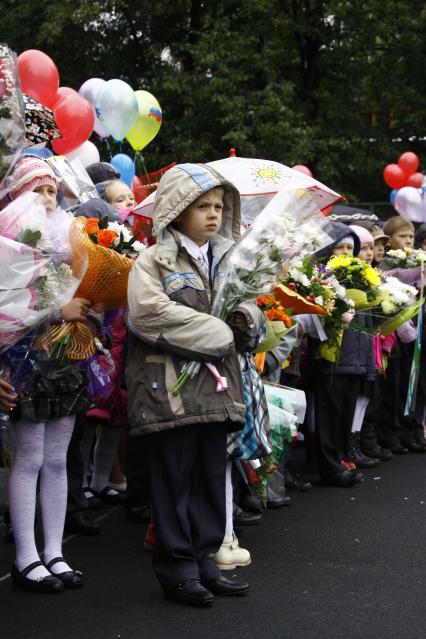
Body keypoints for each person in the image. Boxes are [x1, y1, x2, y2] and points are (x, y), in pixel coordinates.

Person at [126, 163, 262, 606]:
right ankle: (177, 569)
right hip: (172, 390)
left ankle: (203, 561)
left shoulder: (230, 259)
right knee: (174, 481)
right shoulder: (153, 260)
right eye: (201, 205)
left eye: (219, 206)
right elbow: (149, 314)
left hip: (218, 392)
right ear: (176, 209)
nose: (213, 214)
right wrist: (220, 332)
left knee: (206, 478)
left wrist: (246, 320)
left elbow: (248, 309)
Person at [4, 156, 92, 592]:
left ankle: (54, 551)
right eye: (34, 190)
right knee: (31, 458)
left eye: (51, 190)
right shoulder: (9, 243)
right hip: (26, 364)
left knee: (57, 460)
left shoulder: (68, 242)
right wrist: (60, 307)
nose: (45, 198)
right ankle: (26, 557)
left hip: (64, 360)